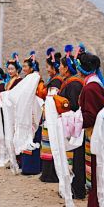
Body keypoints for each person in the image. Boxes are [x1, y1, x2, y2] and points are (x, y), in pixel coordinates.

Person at [74, 45, 104, 207]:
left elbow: (90, 115)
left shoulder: (91, 88)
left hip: (96, 134)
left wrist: (72, 120)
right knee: (96, 173)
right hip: (97, 134)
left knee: (98, 174)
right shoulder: (96, 84)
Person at [58, 45, 85, 199]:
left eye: (61, 66)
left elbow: (74, 105)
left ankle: (77, 189)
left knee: (77, 159)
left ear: (66, 69)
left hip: (75, 127)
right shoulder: (69, 82)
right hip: (71, 125)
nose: (59, 68)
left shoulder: (74, 84)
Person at [39, 48, 64, 183]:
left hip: (52, 117)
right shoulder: (54, 80)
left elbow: (52, 100)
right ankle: (47, 173)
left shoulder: (56, 82)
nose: (47, 69)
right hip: (49, 116)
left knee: (52, 144)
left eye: (48, 67)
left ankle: (50, 175)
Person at [19, 52, 42, 174]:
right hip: (28, 111)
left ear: (32, 68)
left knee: (33, 138)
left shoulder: (35, 78)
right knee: (27, 137)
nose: (23, 69)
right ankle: (27, 166)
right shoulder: (29, 78)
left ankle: (32, 168)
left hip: (34, 111)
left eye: (25, 67)